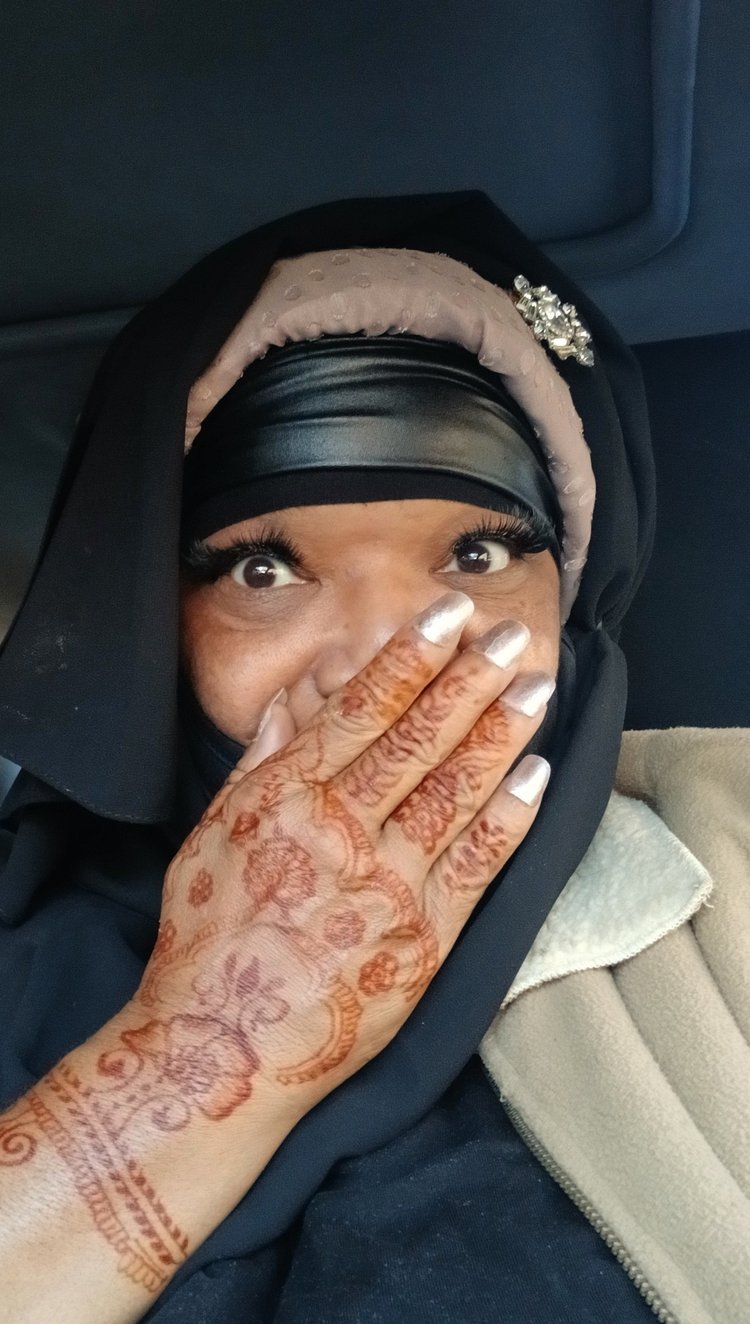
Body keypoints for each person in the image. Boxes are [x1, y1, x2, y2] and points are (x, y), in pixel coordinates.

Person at [0, 192, 747, 1324]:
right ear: (153, 622)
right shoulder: (23, 955)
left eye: (480, 553)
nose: (380, 666)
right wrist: (211, 1042)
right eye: (263, 571)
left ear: (569, 595)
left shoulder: (731, 836)